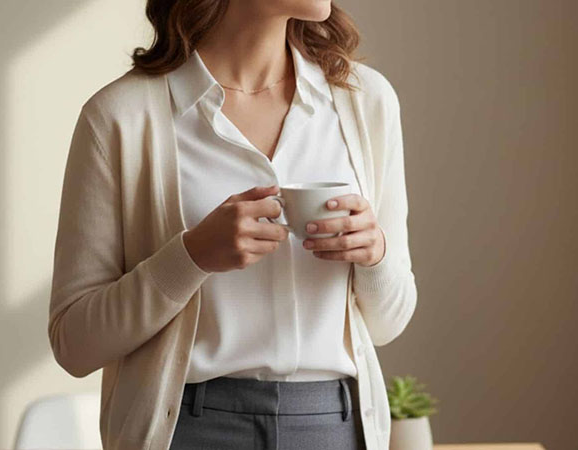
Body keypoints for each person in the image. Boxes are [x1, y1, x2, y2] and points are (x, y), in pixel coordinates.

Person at [47, 0, 417, 449]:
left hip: (333, 426)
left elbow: (388, 323)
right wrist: (191, 257)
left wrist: (374, 257)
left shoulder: (366, 102)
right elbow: (74, 344)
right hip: (187, 429)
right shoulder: (120, 116)